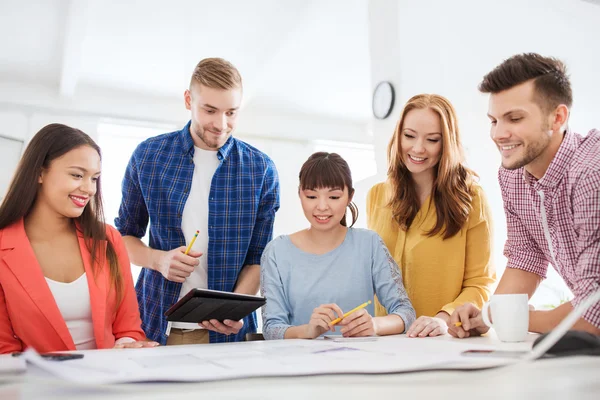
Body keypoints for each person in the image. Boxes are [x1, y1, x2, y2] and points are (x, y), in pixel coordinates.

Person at [115, 58, 280, 345]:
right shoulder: (149, 156)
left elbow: (258, 257)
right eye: (210, 110)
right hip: (157, 323)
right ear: (188, 100)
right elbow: (123, 237)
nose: (221, 124)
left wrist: (234, 306)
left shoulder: (261, 169)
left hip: (229, 333)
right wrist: (159, 260)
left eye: (231, 112)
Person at [449, 53, 600, 338]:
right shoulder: (512, 175)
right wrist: (488, 314)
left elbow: (594, 314)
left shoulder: (592, 174)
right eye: (494, 120)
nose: (499, 133)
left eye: (514, 118)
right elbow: (525, 257)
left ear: (558, 117)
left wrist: (516, 318)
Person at [0, 124, 157, 354]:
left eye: (94, 178)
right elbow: (4, 349)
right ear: (40, 172)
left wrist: (128, 344)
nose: (89, 189)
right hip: (35, 386)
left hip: (107, 381)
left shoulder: (109, 239)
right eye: (77, 175)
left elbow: (128, 328)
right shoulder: (4, 247)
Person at [367, 94, 496, 338]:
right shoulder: (376, 195)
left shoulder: (472, 198)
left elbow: (481, 282)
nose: (417, 148)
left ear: (446, 143)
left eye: (432, 140)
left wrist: (443, 319)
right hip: (386, 342)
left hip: (442, 340)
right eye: (409, 136)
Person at [261, 152, 415, 340]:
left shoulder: (369, 244)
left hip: (361, 361)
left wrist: (375, 324)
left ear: (350, 196)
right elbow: (271, 329)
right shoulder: (277, 252)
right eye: (311, 196)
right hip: (300, 365)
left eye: (334, 197)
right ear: (300, 194)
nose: (322, 206)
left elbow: (405, 312)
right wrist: (308, 331)